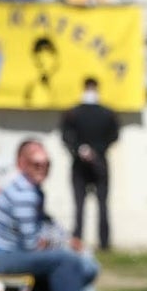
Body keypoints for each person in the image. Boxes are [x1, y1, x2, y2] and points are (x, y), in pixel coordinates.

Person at [0, 139, 101, 291]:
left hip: (5, 252)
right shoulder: (24, 194)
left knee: (68, 257)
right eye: (36, 164)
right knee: (65, 260)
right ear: (22, 164)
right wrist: (60, 243)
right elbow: (32, 243)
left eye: (47, 164)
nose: (42, 169)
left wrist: (60, 240)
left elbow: (43, 228)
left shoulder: (28, 188)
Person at [61, 78, 120, 251]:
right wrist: (96, 150)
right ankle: (100, 242)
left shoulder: (74, 112)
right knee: (94, 205)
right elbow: (114, 136)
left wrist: (81, 149)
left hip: (84, 162)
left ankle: (86, 240)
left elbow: (66, 136)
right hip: (97, 162)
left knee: (87, 205)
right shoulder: (106, 113)